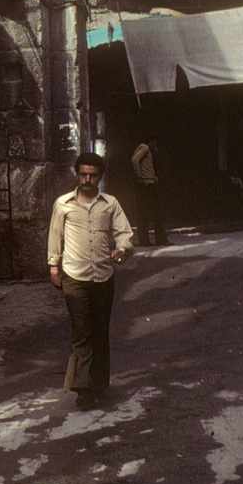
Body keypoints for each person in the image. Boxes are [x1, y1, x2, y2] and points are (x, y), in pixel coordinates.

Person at [47, 151, 134, 407]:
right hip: (74, 277)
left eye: (92, 175)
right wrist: (53, 267)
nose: (87, 179)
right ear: (77, 174)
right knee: (82, 331)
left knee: (100, 331)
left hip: (103, 277)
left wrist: (122, 249)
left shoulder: (110, 204)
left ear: (100, 176)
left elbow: (124, 233)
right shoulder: (63, 204)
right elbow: (55, 236)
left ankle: (99, 384)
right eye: (83, 174)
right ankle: (83, 390)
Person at [130, 135, 167, 246]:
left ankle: (146, 240)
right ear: (152, 141)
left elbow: (147, 166)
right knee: (154, 212)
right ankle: (158, 239)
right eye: (154, 143)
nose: (155, 146)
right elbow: (134, 160)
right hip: (147, 184)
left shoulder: (145, 149)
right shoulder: (145, 147)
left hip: (148, 182)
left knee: (145, 212)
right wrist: (140, 176)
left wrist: (152, 176)